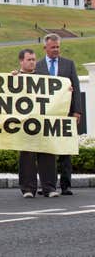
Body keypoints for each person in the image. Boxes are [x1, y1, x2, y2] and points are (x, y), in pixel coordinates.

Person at [35, 33, 82, 196]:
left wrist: (77, 111)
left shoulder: (69, 65)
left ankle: (66, 185)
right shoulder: (38, 66)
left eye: (58, 47)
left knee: (65, 151)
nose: (56, 50)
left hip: (66, 114)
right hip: (45, 116)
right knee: (45, 151)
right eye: (53, 47)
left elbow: (76, 88)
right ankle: (48, 185)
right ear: (45, 48)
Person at [15, 49, 59, 198]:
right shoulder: (14, 78)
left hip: (42, 121)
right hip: (24, 123)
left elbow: (56, 95)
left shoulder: (43, 78)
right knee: (27, 155)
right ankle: (28, 189)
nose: (33, 62)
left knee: (47, 152)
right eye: (29, 60)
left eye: (34, 59)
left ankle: (50, 188)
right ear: (21, 61)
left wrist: (66, 90)